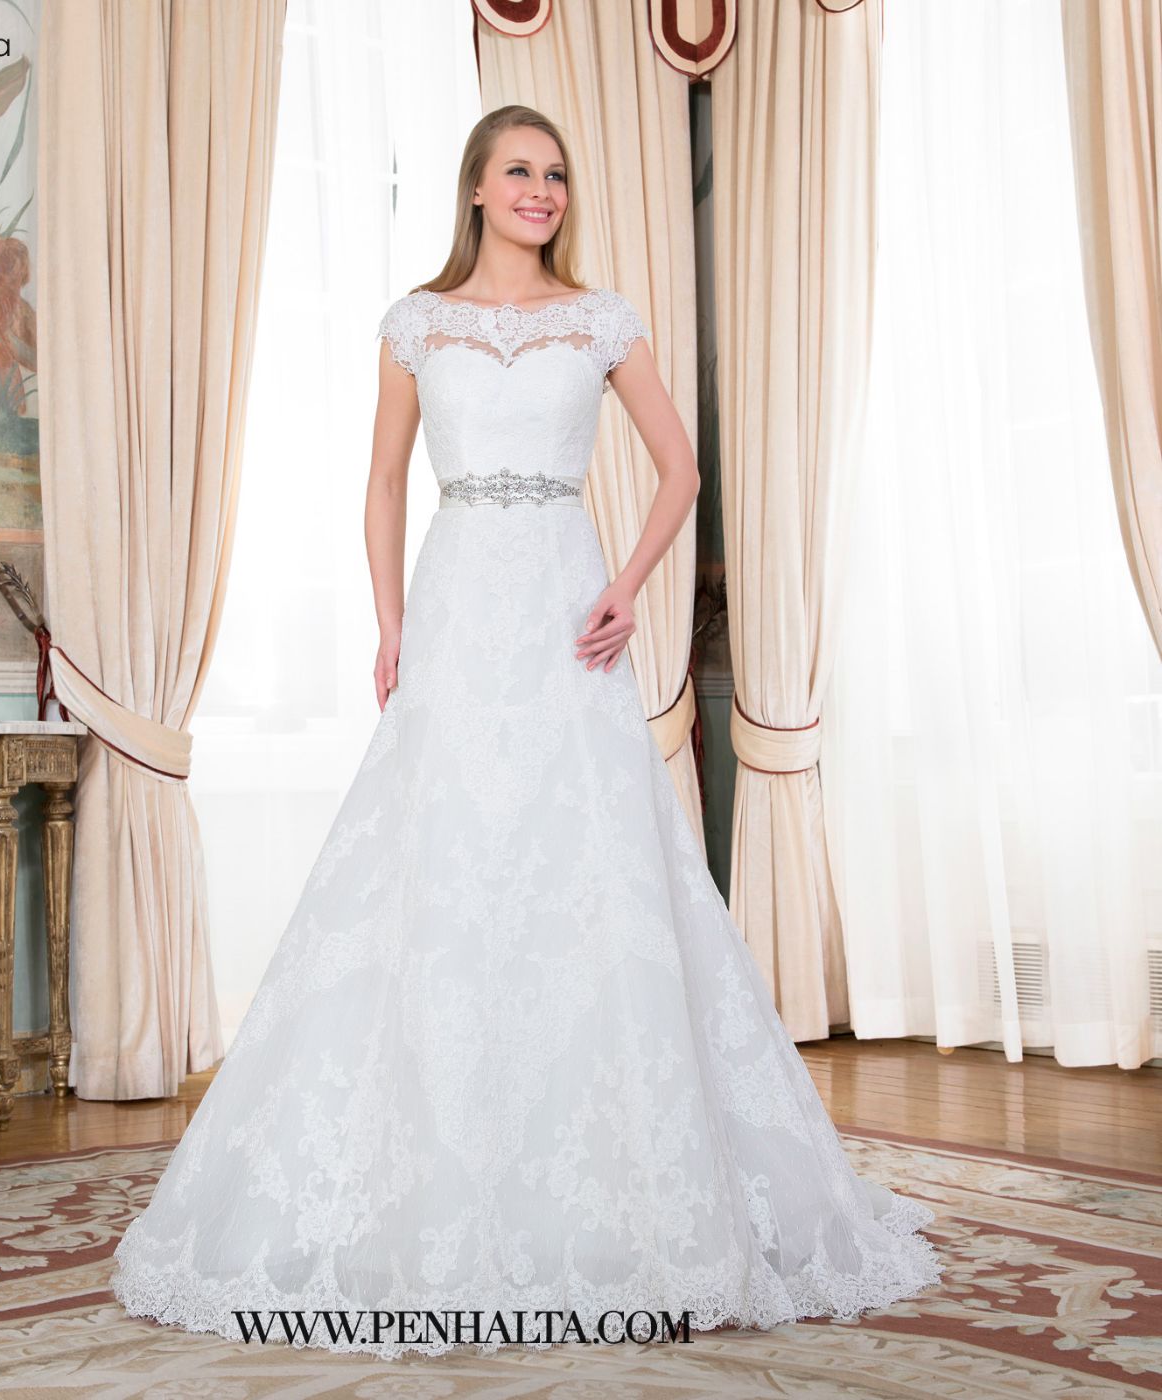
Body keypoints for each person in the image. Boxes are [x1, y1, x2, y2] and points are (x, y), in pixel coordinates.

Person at [110, 103, 942, 1360]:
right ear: (475, 187)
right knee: (437, 859)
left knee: (590, 863)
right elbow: (381, 481)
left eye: (553, 173)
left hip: (564, 603)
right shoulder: (415, 323)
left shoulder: (599, 319)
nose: (539, 189)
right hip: (456, 602)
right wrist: (390, 626)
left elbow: (678, 469)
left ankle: (625, 1174)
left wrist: (628, 586)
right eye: (517, 171)